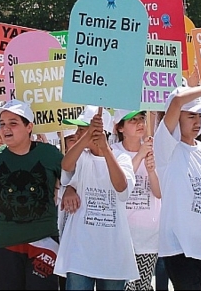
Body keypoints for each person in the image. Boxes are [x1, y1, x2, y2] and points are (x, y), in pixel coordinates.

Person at [0, 99, 63, 290]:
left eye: (13, 123)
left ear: (29, 127)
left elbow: (72, 180)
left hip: (43, 243)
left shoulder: (51, 155)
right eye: (2, 124)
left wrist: (71, 190)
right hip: (2, 245)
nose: (5, 128)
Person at [154, 74, 201, 291]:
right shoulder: (166, 147)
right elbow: (177, 99)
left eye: (199, 116)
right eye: (190, 117)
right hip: (181, 249)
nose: (197, 122)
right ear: (176, 117)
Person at [56, 106, 138, 290]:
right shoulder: (82, 157)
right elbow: (66, 166)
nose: (77, 134)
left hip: (112, 252)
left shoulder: (122, 158)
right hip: (80, 252)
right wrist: (69, 188)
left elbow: (121, 188)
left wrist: (104, 149)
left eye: (82, 130)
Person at [111, 110, 162, 291]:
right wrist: (139, 155)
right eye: (133, 120)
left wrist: (151, 170)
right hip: (122, 235)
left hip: (148, 236)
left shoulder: (154, 150)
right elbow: (120, 185)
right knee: (126, 287)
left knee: (143, 286)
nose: (140, 123)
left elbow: (159, 192)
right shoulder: (114, 152)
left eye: (141, 118)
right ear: (120, 128)